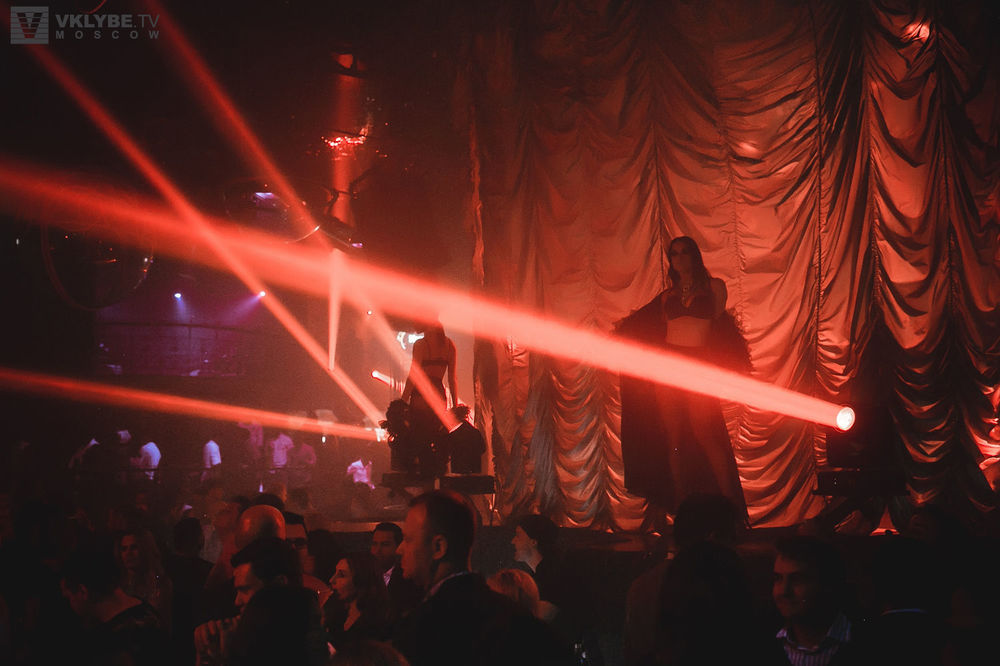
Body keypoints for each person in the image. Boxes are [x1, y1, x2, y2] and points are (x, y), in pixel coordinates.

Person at [617, 236, 748, 530]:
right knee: (673, 437)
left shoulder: (714, 287)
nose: (679, 258)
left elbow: (718, 327)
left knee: (705, 432)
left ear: (694, 255)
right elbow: (651, 328)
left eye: (684, 252)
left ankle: (730, 506)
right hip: (669, 365)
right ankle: (680, 504)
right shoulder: (668, 296)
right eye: (674, 254)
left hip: (698, 364)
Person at [393, 490, 574, 666]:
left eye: (408, 540)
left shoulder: (423, 629)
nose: (399, 549)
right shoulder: (519, 621)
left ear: (439, 547)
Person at [61, 546, 170, 665]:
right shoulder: (148, 612)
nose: (70, 603)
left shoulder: (107, 645)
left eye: (69, 596)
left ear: (83, 592)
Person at [771, 536, 857, 666]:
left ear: (827, 585)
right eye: (778, 578)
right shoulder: (759, 645)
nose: (783, 591)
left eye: (797, 579)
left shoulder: (870, 642)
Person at [401, 322, 457, 478]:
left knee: (419, 437)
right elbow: (452, 379)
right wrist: (456, 406)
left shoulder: (421, 345)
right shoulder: (449, 345)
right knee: (436, 437)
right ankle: (437, 476)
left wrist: (401, 402)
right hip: (439, 394)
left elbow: (414, 375)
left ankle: (422, 476)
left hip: (421, 395)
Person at [324, 552, 392, 650]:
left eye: (342, 575)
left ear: (362, 579)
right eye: (335, 573)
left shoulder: (377, 624)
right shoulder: (337, 611)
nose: (332, 580)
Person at [370, 522, 421, 621]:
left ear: (398, 547)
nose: (377, 550)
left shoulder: (408, 579)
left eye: (385, 544)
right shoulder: (364, 575)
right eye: (374, 544)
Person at [445, 405, 486, 474]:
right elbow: (482, 448)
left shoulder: (454, 435)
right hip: (474, 470)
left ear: (454, 417)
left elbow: (448, 451)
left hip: (459, 471)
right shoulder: (475, 432)